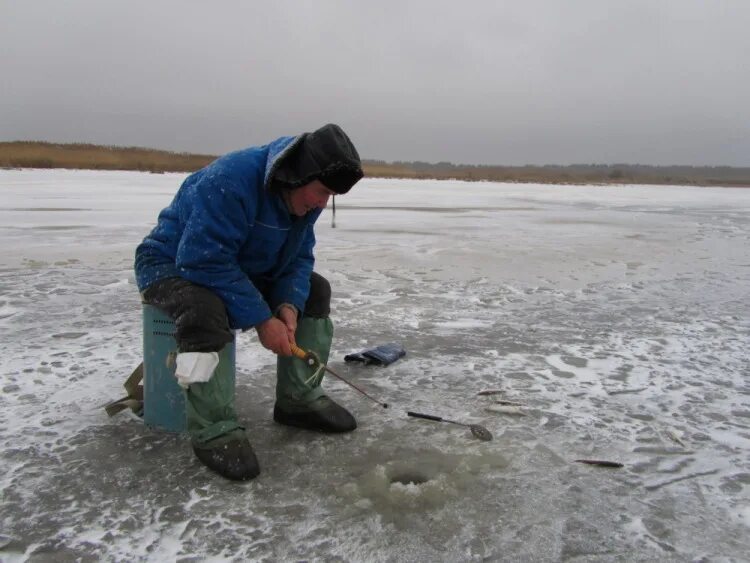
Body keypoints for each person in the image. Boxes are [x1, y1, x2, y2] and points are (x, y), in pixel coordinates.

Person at [134, 123, 363, 481]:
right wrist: (261, 319)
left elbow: (299, 259)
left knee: (314, 291)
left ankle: (298, 400)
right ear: (296, 175)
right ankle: (214, 430)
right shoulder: (231, 179)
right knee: (206, 310)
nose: (322, 203)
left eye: (329, 197)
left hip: (237, 265)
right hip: (170, 265)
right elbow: (201, 259)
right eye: (320, 192)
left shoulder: (307, 197)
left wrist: (287, 306)